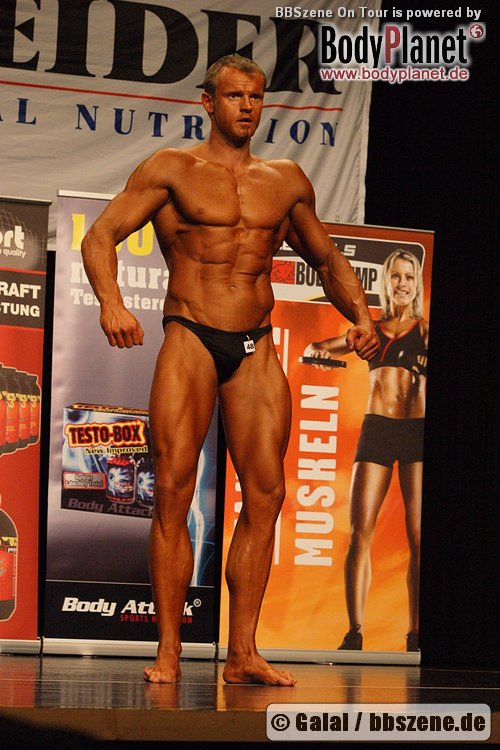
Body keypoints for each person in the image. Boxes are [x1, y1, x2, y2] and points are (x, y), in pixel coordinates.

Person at [81, 54, 379, 685]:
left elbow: (327, 260)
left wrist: (360, 315)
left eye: (256, 96)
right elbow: (99, 235)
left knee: (267, 494)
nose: (247, 106)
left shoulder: (285, 180)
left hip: (255, 345)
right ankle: (168, 651)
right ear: (207, 102)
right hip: (191, 335)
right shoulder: (171, 169)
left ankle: (242, 653)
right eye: (236, 95)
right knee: (172, 490)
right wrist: (112, 301)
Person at [304, 250, 428, 652]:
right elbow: (319, 347)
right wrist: (320, 353)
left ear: (417, 283)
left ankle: (416, 633)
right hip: (377, 429)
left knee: (418, 537)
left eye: (409, 277)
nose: (402, 283)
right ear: (386, 281)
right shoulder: (370, 331)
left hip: (416, 432)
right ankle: (354, 631)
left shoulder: (426, 331)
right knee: (360, 532)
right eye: (396, 276)